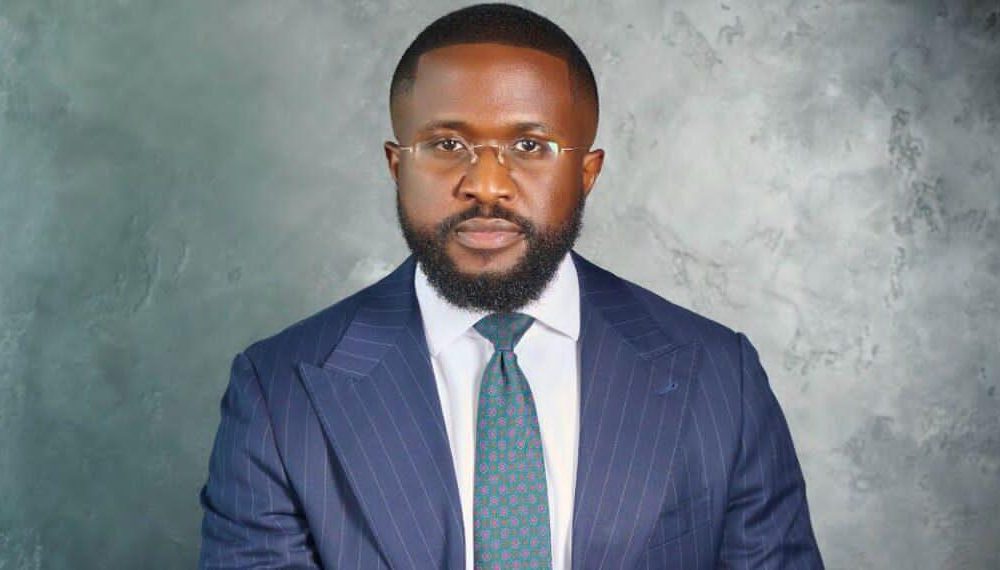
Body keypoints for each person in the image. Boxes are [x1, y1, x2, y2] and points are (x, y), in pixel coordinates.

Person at [197, 3, 824, 569]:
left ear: (586, 173)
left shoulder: (720, 376)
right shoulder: (278, 392)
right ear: (397, 165)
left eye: (529, 144)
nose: (487, 185)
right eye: (447, 143)